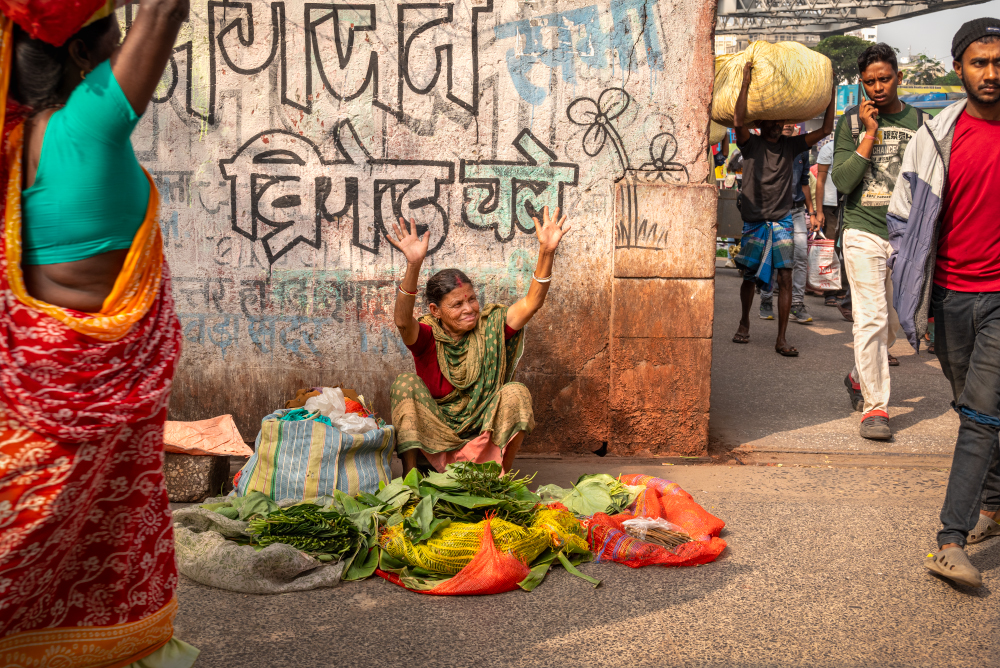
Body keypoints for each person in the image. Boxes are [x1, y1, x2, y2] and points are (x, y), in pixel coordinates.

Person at [0, 1, 196, 665]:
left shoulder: (14, 146)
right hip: (95, 421)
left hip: (31, 410)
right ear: (83, 55)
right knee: (95, 577)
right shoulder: (86, 127)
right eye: (115, 34)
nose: (123, 47)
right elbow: (165, 10)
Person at [887, 18, 1000, 588]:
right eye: (980, 63)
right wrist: (913, 292)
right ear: (959, 68)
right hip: (951, 296)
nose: (991, 73)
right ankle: (995, 504)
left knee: (980, 414)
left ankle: (949, 541)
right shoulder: (933, 137)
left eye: (999, 62)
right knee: (971, 407)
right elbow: (902, 217)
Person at [386, 207, 571, 475]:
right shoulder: (427, 336)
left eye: (472, 299)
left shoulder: (491, 326)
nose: (469, 309)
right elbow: (403, 322)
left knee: (516, 392)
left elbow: (532, 303)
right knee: (405, 384)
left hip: (482, 434)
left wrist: (547, 251)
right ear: (435, 311)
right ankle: (411, 476)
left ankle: (499, 478)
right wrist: (413, 265)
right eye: (457, 304)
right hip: (434, 438)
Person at [832, 43, 928, 441]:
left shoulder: (922, 123)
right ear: (862, 83)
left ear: (898, 77)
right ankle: (875, 408)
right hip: (862, 232)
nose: (878, 87)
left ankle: (859, 376)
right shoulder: (851, 123)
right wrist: (870, 133)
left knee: (890, 325)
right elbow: (842, 181)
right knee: (870, 319)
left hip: (905, 238)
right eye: (870, 81)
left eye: (885, 79)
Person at [730, 62, 835, 356]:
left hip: (783, 221)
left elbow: (826, 129)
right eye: (772, 122)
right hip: (754, 221)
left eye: (780, 122)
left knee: (786, 276)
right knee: (749, 276)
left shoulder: (791, 145)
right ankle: (744, 322)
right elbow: (738, 121)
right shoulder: (750, 143)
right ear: (761, 124)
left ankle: (782, 339)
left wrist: (831, 92)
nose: (777, 126)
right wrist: (745, 83)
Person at [758, 123, 816, 323]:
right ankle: (766, 299)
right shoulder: (767, 147)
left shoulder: (802, 150)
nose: (788, 125)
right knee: (772, 257)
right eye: (785, 121)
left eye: (792, 121)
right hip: (773, 211)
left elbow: (804, 182)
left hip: (797, 210)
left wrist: (812, 211)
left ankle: (797, 304)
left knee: (800, 256)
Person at [814, 135, 853, 321]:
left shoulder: (856, 147)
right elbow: (820, 181)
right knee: (830, 249)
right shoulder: (828, 149)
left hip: (850, 205)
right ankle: (829, 291)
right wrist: (819, 211)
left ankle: (843, 289)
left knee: (848, 248)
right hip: (830, 205)